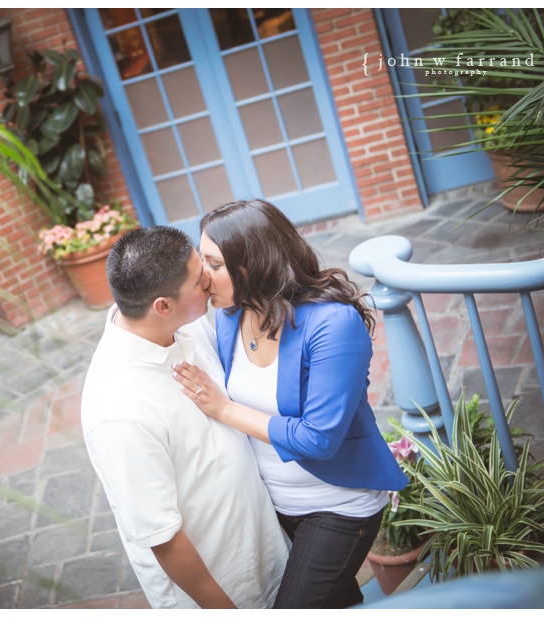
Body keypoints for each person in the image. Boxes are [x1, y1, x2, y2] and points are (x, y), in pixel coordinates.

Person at [171, 199, 408, 609]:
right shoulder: (229, 316)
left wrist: (224, 409)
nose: (203, 279)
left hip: (338, 505)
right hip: (274, 507)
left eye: (214, 264)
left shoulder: (332, 324)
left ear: (253, 266)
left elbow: (318, 439)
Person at [81, 226, 288, 609]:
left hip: (269, 549)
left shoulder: (184, 320)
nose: (209, 279)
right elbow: (162, 537)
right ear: (163, 305)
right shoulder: (119, 412)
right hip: (222, 587)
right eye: (199, 278)